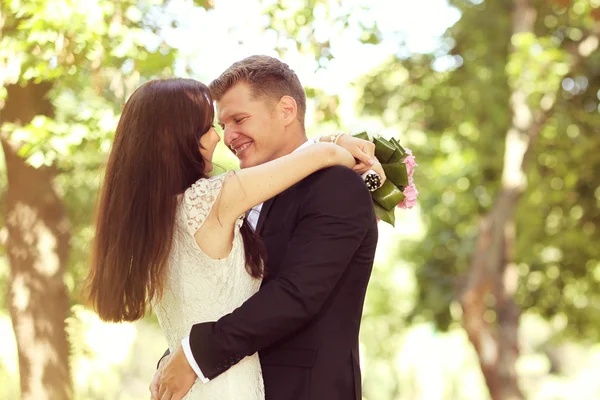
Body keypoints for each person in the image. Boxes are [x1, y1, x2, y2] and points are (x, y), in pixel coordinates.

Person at [86, 75, 379, 400]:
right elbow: (323, 156)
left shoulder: (156, 214)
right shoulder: (215, 198)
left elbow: (293, 294)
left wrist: (185, 356)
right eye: (212, 126)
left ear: (286, 110)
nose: (221, 138)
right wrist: (342, 147)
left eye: (237, 120)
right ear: (180, 137)